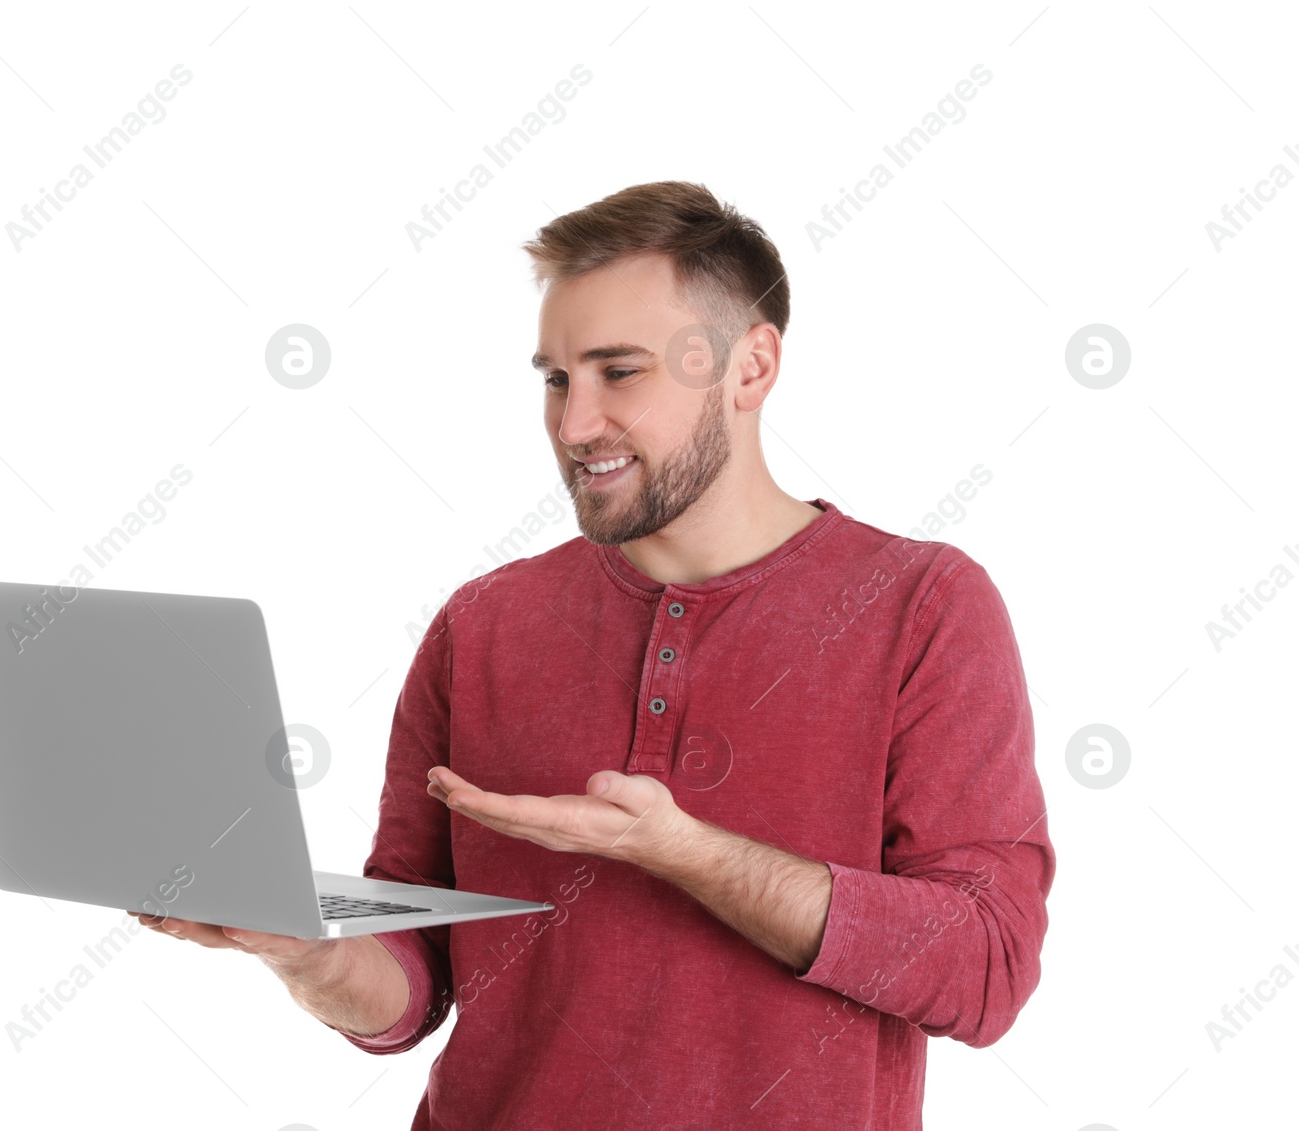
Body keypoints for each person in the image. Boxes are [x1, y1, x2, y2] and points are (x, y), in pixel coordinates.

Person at [132, 180, 1055, 1129]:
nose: (574, 426)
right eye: (555, 378)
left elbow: (985, 969)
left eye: (620, 373)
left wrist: (685, 853)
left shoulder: (923, 606)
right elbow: (416, 975)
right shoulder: (483, 623)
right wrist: (308, 953)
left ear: (750, 368)